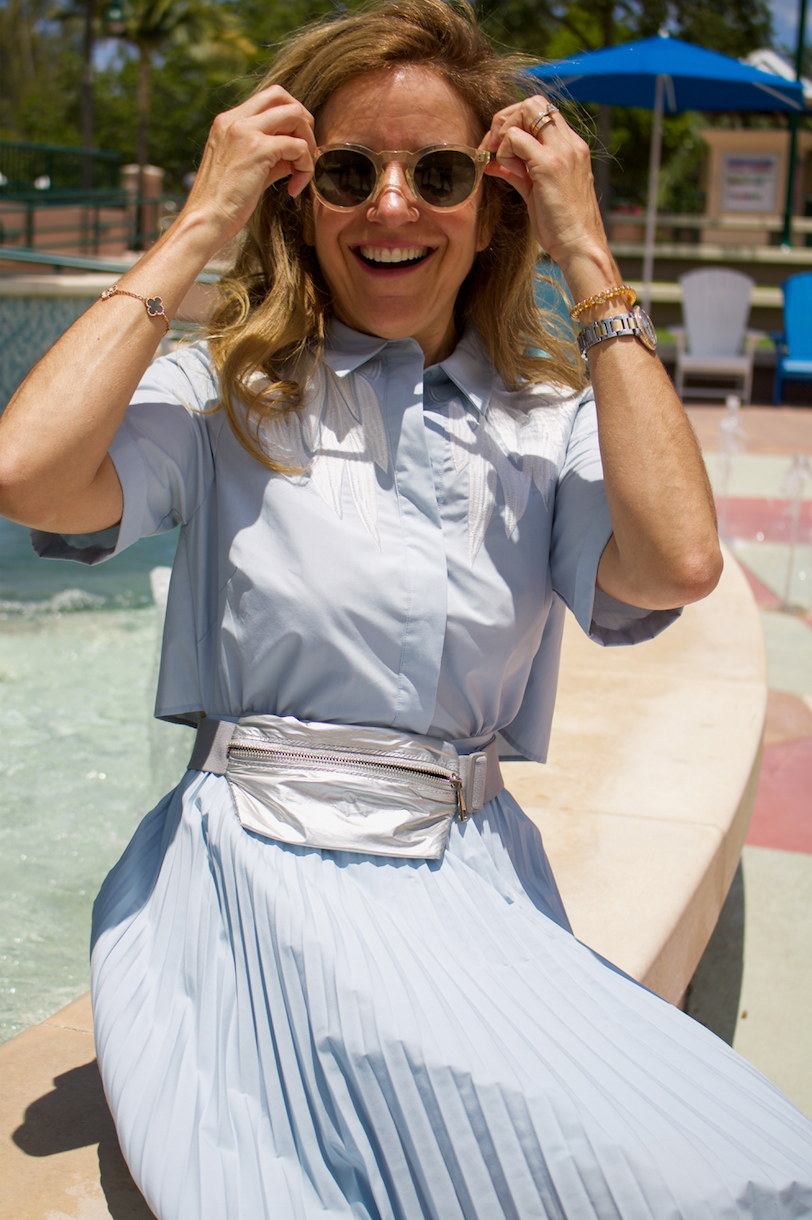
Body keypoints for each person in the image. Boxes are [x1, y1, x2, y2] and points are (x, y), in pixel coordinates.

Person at [1, 1, 811, 1215]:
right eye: (344, 171)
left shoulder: (546, 423)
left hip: (471, 880)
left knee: (743, 1165)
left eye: (437, 172)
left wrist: (584, 253)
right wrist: (200, 222)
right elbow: (28, 472)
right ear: (297, 197)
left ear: (493, 210)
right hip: (254, 884)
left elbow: (678, 562)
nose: (390, 205)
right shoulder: (227, 396)